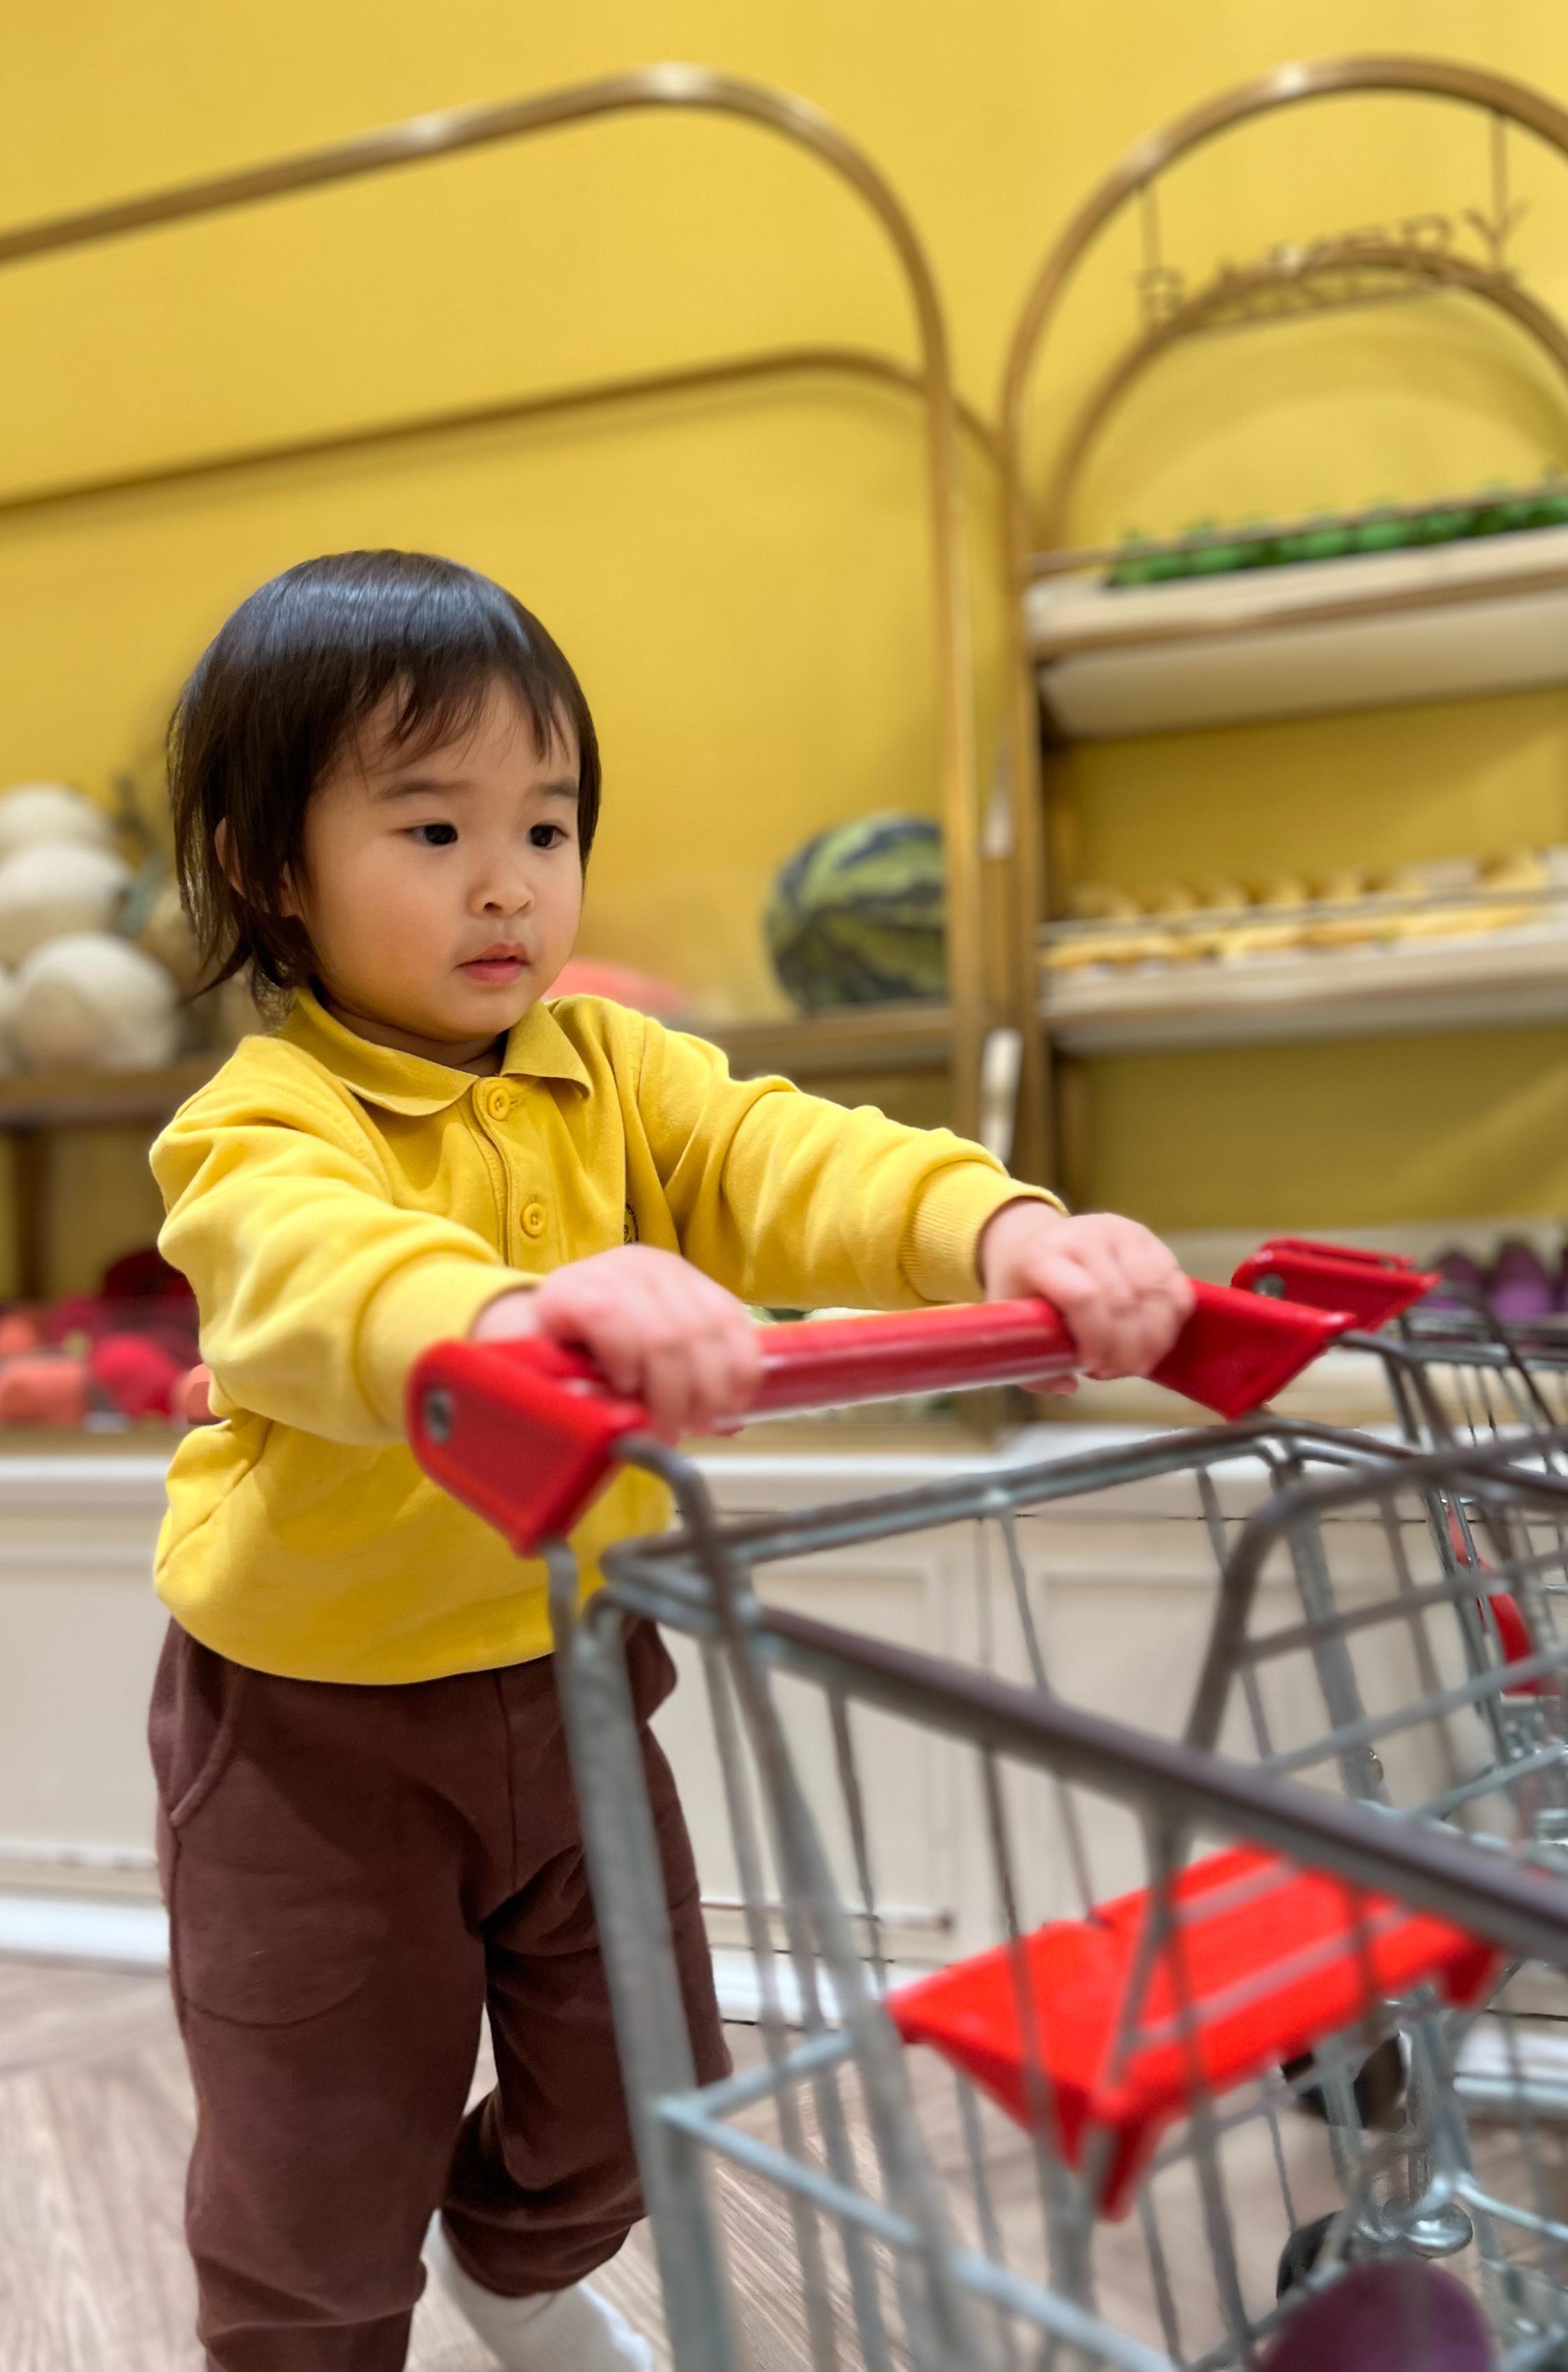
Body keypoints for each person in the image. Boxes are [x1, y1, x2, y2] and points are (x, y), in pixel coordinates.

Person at [149, 547, 1193, 2372]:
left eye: (547, 826)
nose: (507, 881)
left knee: (641, 2093)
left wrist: (1007, 1230)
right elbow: (313, 1274)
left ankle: (519, 2264)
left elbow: (796, 1158)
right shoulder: (263, 1122)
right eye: (432, 828)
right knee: (319, 2161)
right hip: (314, 1736)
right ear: (267, 869)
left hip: (574, 1678)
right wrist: (512, 1315)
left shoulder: (616, 1069)